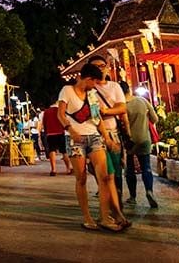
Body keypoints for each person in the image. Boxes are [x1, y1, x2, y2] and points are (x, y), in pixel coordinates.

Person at [57, 64, 129, 232]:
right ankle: (88, 218)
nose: (96, 85)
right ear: (88, 78)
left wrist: (107, 139)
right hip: (75, 138)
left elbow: (97, 119)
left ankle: (104, 217)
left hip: (94, 136)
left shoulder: (92, 95)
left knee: (104, 177)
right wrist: (70, 130)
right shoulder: (66, 91)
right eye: (95, 81)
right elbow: (60, 114)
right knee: (81, 178)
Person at [88, 56, 128, 213]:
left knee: (116, 171)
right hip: (94, 134)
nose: (99, 68)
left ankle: (117, 204)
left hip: (113, 133)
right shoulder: (88, 89)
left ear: (107, 68)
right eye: (95, 66)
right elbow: (91, 114)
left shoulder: (115, 86)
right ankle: (110, 206)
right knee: (102, 173)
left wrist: (105, 111)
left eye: (102, 65)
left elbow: (122, 108)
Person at [120, 81, 159, 208]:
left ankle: (132, 197)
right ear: (129, 90)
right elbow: (155, 119)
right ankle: (149, 191)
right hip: (144, 139)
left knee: (130, 170)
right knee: (146, 167)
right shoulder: (142, 101)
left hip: (129, 141)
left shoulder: (120, 106)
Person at [42, 100, 72, 176]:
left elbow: (44, 123)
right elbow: (64, 121)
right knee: (64, 151)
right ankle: (68, 168)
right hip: (60, 132)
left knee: (52, 150)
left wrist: (46, 132)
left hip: (50, 134)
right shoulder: (60, 111)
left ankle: (53, 169)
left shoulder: (46, 112)